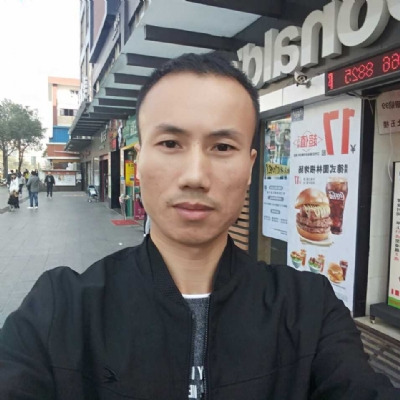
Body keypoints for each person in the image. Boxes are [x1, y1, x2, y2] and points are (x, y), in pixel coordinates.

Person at [0, 53, 399, 400]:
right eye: (170, 143)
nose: (195, 176)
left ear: (250, 166)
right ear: (139, 160)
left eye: (222, 147)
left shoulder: (308, 309)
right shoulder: (61, 310)